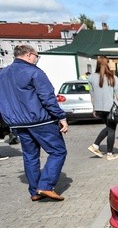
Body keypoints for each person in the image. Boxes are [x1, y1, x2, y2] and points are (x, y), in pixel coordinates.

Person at [0, 44, 68, 200]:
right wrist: (61, 117)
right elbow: (48, 98)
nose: (37, 59)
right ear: (29, 55)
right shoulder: (34, 72)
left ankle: (35, 191)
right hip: (40, 120)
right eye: (37, 56)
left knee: (30, 156)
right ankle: (45, 186)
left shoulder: (3, 74)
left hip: (17, 123)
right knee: (58, 151)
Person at [88, 56, 118, 160]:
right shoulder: (113, 78)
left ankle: (96, 146)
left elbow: (92, 95)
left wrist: (94, 108)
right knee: (111, 130)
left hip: (99, 108)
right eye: (110, 62)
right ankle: (108, 152)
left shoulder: (91, 77)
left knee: (109, 128)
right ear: (107, 64)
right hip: (110, 107)